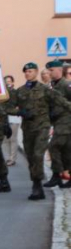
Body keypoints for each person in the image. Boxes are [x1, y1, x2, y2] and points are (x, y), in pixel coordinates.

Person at [6, 62, 71, 200]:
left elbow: (61, 101)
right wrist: (20, 112)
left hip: (42, 127)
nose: (27, 73)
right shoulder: (20, 91)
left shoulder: (46, 89)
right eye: (26, 72)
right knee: (30, 157)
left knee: (37, 155)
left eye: (30, 71)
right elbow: (8, 107)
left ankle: (37, 185)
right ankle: (36, 183)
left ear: (36, 72)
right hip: (28, 129)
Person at [44, 60, 71, 188]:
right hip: (56, 121)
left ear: (59, 70)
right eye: (48, 70)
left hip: (66, 121)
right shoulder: (51, 86)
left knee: (53, 146)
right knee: (66, 150)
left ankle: (56, 175)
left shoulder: (66, 85)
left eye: (51, 70)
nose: (49, 72)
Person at [3, 75, 21, 166]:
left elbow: (19, 104)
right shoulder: (2, 93)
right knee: (6, 139)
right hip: (5, 118)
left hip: (14, 118)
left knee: (13, 138)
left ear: (12, 82)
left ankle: (12, 158)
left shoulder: (16, 92)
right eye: (6, 81)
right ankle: (8, 157)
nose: (8, 83)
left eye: (9, 81)